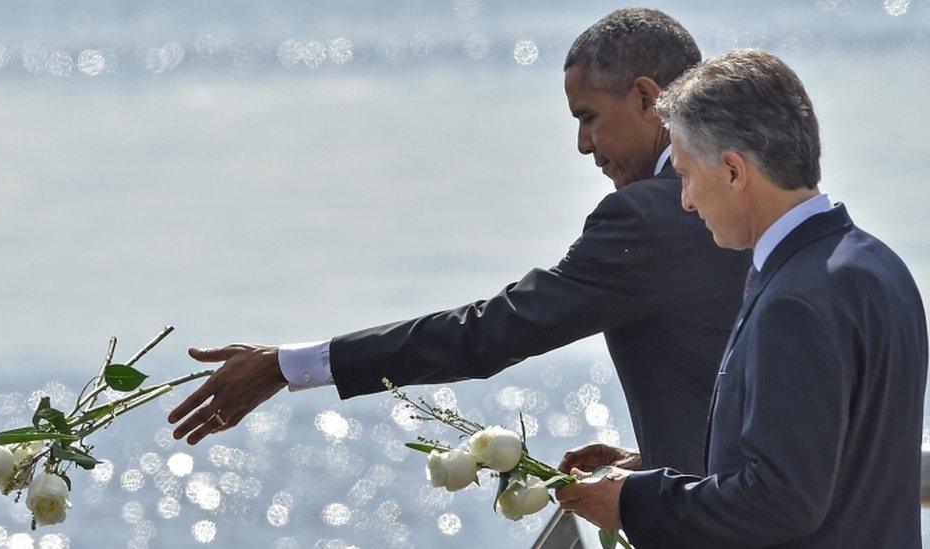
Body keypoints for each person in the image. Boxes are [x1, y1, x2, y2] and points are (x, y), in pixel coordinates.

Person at [167, 8, 750, 476]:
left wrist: (288, 366)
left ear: (648, 100)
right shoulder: (755, 186)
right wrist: (658, 462)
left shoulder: (646, 216)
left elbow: (489, 334)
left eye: (589, 117)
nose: (581, 144)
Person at [556, 48, 928, 547]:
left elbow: (780, 502)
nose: (685, 200)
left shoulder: (793, 303)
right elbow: (834, 463)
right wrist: (645, 476)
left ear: (733, 171)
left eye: (686, 175)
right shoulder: (880, 266)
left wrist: (633, 503)